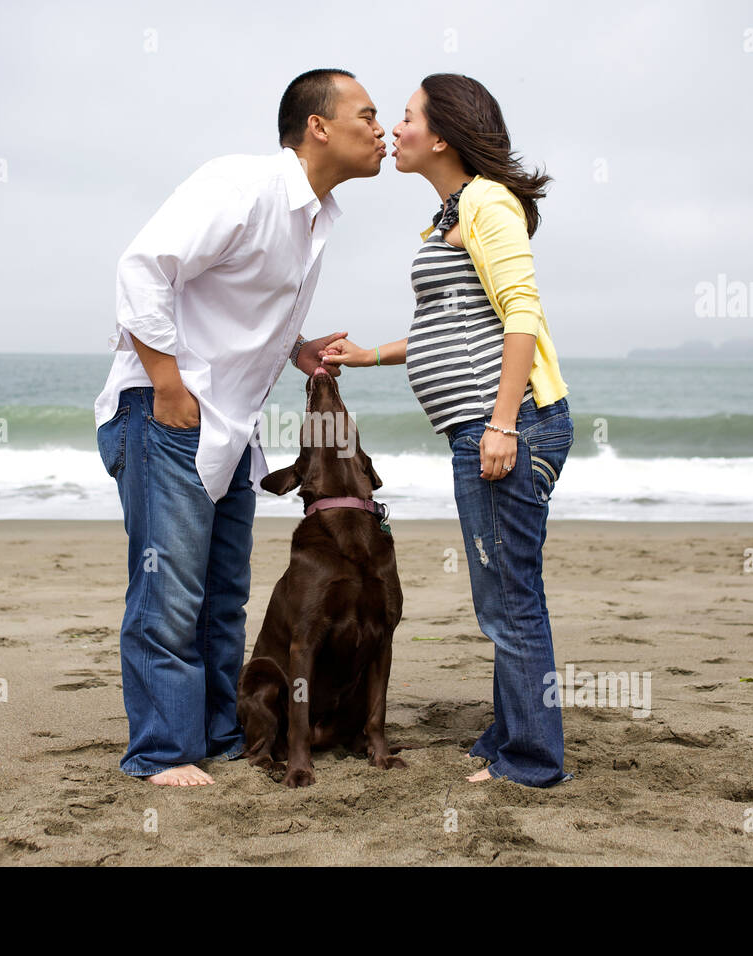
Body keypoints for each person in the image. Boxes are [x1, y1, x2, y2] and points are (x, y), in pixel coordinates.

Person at [93, 69, 387, 786]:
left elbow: (237, 308)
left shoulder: (317, 219)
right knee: (169, 595)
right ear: (318, 126)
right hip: (168, 413)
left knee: (224, 598)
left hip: (231, 428)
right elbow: (142, 270)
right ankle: (161, 752)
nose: (382, 131)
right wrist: (166, 383)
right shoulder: (243, 186)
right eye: (368, 115)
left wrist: (299, 348)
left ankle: (219, 736)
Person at [320, 73, 573, 787]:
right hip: (484, 428)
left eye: (404, 119)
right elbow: (447, 325)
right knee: (500, 591)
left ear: (441, 135)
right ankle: (509, 733)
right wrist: (367, 354)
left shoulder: (490, 204)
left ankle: (531, 761)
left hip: (507, 428)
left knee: (510, 595)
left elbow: (521, 314)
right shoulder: (444, 217)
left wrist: (501, 425)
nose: (392, 131)